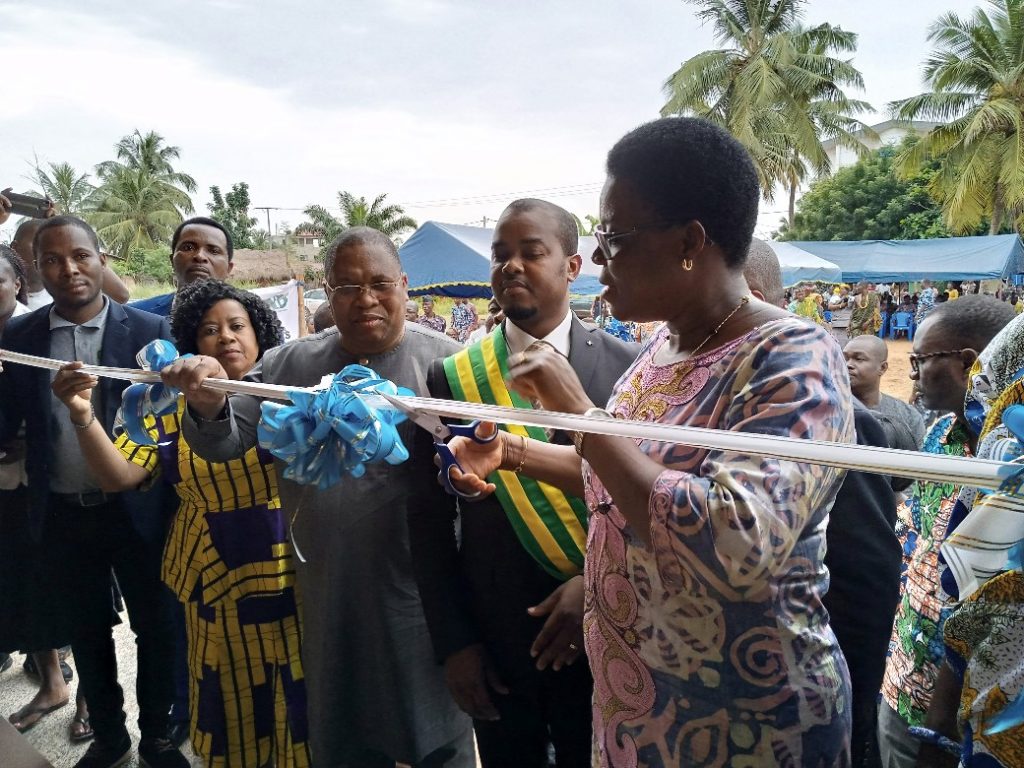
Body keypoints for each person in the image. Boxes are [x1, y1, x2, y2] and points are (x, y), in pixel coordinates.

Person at [444, 117, 855, 766]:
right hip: (639, 712)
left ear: (690, 241)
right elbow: (626, 482)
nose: (597, 258)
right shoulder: (663, 347)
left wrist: (582, 414)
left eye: (614, 236)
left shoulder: (793, 357)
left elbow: (737, 545)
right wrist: (513, 453)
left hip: (744, 722)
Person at [162, 227, 474, 767]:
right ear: (328, 293)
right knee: (343, 727)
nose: (366, 300)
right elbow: (226, 439)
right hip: (326, 585)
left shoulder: (451, 364)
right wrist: (208, 402)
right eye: (348, 287)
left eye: (380, 284)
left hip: (420, 590)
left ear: (404, 285)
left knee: (433, 728)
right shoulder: (289, 366)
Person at [408, 199, 638, 768]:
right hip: (498, 642)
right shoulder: (451, 377)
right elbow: (428, 522)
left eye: (531, 252)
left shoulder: (630, 367)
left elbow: (647, 502)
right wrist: (456, 644)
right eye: (500, 255)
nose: (511, 265)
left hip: (608, 631)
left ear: (572, 266)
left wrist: (594, 586)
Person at [52, 279, 310, 768]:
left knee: (299, 692)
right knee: (231, 695)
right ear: (193, 344)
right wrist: (82, 414)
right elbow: (118, 476)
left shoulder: (291, 396)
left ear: (260, 335)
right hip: (213, 579)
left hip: (289, 569)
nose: (226, 336)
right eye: (210, 330)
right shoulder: (163, 406)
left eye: (237, 326)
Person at [0, 216, 185, 768]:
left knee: (155, 626)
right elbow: (8, 422)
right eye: (53, 260)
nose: (69, 269)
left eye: (80, 255)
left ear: (102, 259)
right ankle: (110, 736)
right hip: (62, 511)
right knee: (86, 630)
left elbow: (169, 424)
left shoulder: (149, 331)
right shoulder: (19, 339)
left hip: (138, 507)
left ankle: (157, 736)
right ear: (37, 269)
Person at [746, 238, 901, 768]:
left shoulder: (828, 416)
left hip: (799, 700)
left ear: (746, 298)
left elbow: (865, 579)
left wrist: (849, 717)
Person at [878, 295, 1015, 768]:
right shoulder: (939, 438)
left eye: (920, 360)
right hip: (902, 683)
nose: (912, 374)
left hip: (974, 713)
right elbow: (917, 539)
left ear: (968, 364)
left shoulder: (1009, 468)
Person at [8, 216, 130, 309]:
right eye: (37, 245)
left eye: (80, 256)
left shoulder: (66, 293)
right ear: (14, 247)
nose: (70, 269)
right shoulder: (5, 293)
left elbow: (121, 296)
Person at [129, 217, 234, 316]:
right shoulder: (132, 316)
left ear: (229, 268)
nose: (200, 256)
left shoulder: (243, 317)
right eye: (188, 248)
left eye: (214, 251)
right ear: (172, 261)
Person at [843, 336, 926, 455]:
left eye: (859, 359)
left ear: (882, 368)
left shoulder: (908, 416)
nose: (848, 364)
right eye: (844, 358)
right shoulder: (830, 410)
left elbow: (917, 460)